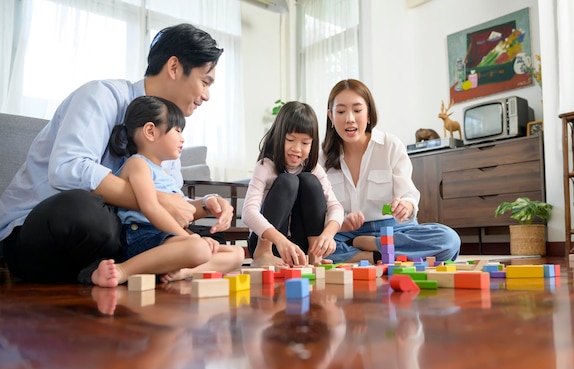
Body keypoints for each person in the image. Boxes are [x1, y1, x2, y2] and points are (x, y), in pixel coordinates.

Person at [0, 23, 235, 284]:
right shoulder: (102, 96)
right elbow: (68, 169)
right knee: (87, 213)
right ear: (174, 67)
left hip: (115, 234)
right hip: (39, 231)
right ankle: (133, 267)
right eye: (205, 81)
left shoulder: (166, 138)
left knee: (212, 241)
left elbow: (171, 202)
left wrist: (205, 206)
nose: (207, 95)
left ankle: (117, 271)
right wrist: (156, 201)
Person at [91, 96, 244, 287]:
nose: (182, 138)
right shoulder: (138, 164)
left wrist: (197, 225)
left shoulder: (165, 173)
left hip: (168, 237)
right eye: (177, 130)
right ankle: (124, 270)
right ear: (150, 131)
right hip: (143, 235)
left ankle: (184, 271)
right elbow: (151, 208)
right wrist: (188, 237)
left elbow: (179, 215)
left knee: (236, 254)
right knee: (198, 248)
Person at [321, 79, 461, 264]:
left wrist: (406, 206)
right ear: (331, 117)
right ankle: (375, 256)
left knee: (448, 240)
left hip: (395, 230)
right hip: (346, 233)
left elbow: (408, 195)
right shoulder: (321, 157)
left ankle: (368, 247)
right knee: (318, 246)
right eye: (341, 112)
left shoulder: (390, 145)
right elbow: (321, 211)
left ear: (369, 114)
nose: (349, 118)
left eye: (357, 110)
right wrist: (340, 224)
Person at [241, 101, 343, 267]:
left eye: (305, 143)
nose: (297, 148)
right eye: (290, 140)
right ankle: (263, 253)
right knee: (288, 181)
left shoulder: (314, 169)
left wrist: (328, 234)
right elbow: (248, 212)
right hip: (271, 243)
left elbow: (336, 207)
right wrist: (280, 240)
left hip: (298, 246)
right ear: (279, 137)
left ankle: (313, 254)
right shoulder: (265, 166)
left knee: (309, 180)